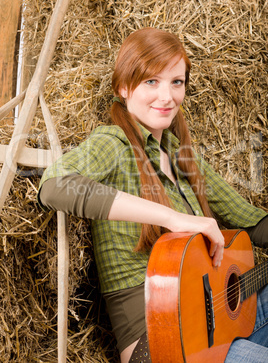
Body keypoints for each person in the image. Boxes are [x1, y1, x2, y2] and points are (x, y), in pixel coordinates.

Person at [38, 28, 268, 362]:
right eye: (151, 82)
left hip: (215, 320)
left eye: (177, 82)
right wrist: (173, 217)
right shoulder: (112, 143)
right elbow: (55, 185)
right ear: (124, 87)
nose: (167, 96)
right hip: (159, 342)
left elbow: (250, 221)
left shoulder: (181, 153)